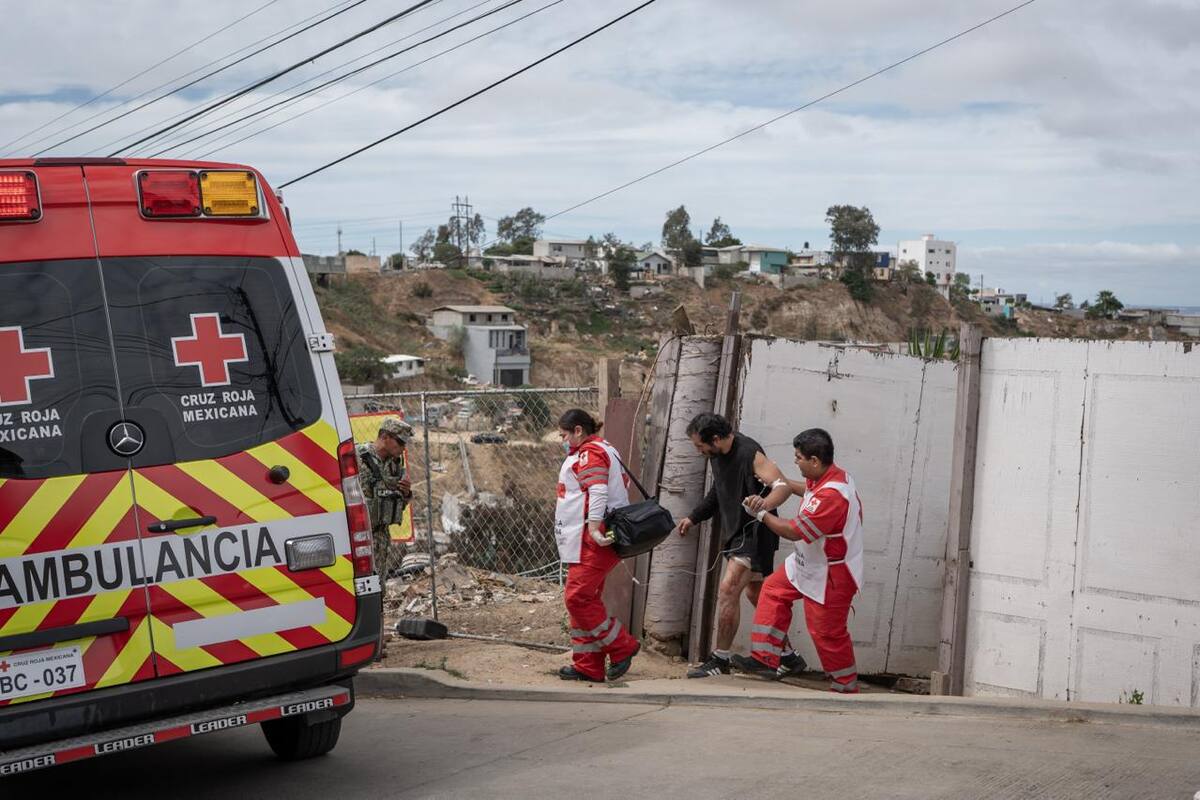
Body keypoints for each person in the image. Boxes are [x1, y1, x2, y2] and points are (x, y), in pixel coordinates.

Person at [730, 428, 864, 693]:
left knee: (826, 632)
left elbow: (794, 530)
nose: (795, 461)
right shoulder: (831, 476)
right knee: (772, 592)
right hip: (808, 561)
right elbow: (809, 490)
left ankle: (845, 683)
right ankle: (765, 660)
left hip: (832, 574)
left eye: (799, 457)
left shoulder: (833, 497)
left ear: (814, 461)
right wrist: (785, 484)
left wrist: (760, 515)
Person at [675, 413, 806, 679]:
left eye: (700, 446)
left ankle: (719, 659)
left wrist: (765, 505)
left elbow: (781, 485)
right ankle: (789, 657)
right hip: (738, 533)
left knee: (728, 589)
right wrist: (694, 517)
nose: (699, 451)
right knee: (756, 595)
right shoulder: (716, 456)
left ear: (715, 438)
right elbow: (719, 490)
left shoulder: (749, 452)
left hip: (755, 532)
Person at [554, 408, 641, 683]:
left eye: (565, 434)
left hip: (594, 537)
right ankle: (587, 664)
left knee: (577, 598)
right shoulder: (602, 447)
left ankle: (622, 646)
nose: (563, 440)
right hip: (588, 537)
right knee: (586, 598)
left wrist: (593, 528)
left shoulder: (590, 452)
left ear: (578, 430)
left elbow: (598, 490)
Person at [357, 416, 414, 578]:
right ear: (385, 437)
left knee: (380, 587)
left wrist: (405, 493)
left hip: (381, 538)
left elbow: (397, 504)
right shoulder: (357, 458)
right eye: (400, 442)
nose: (403, 448)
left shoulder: (395, 466)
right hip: (359, 537)